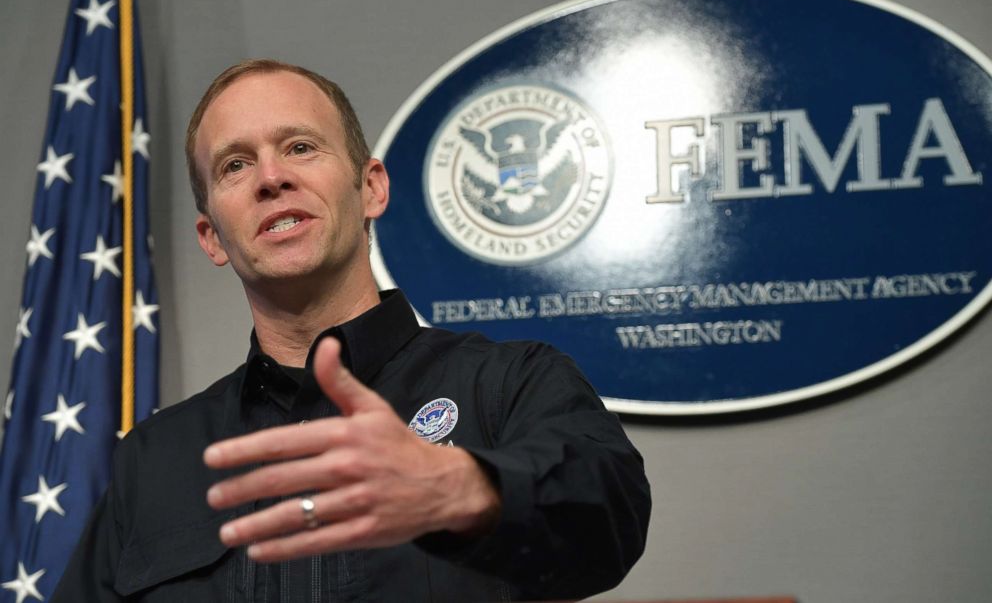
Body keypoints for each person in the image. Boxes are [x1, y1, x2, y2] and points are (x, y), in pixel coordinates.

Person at [52, 59, 651, 602]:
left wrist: (461, 488)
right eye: (236, 164)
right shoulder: (153, 458)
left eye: (301, 147)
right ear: (212, 237)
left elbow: (611, 517)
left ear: (370, 188)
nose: (271, 177)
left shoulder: (508, 383)